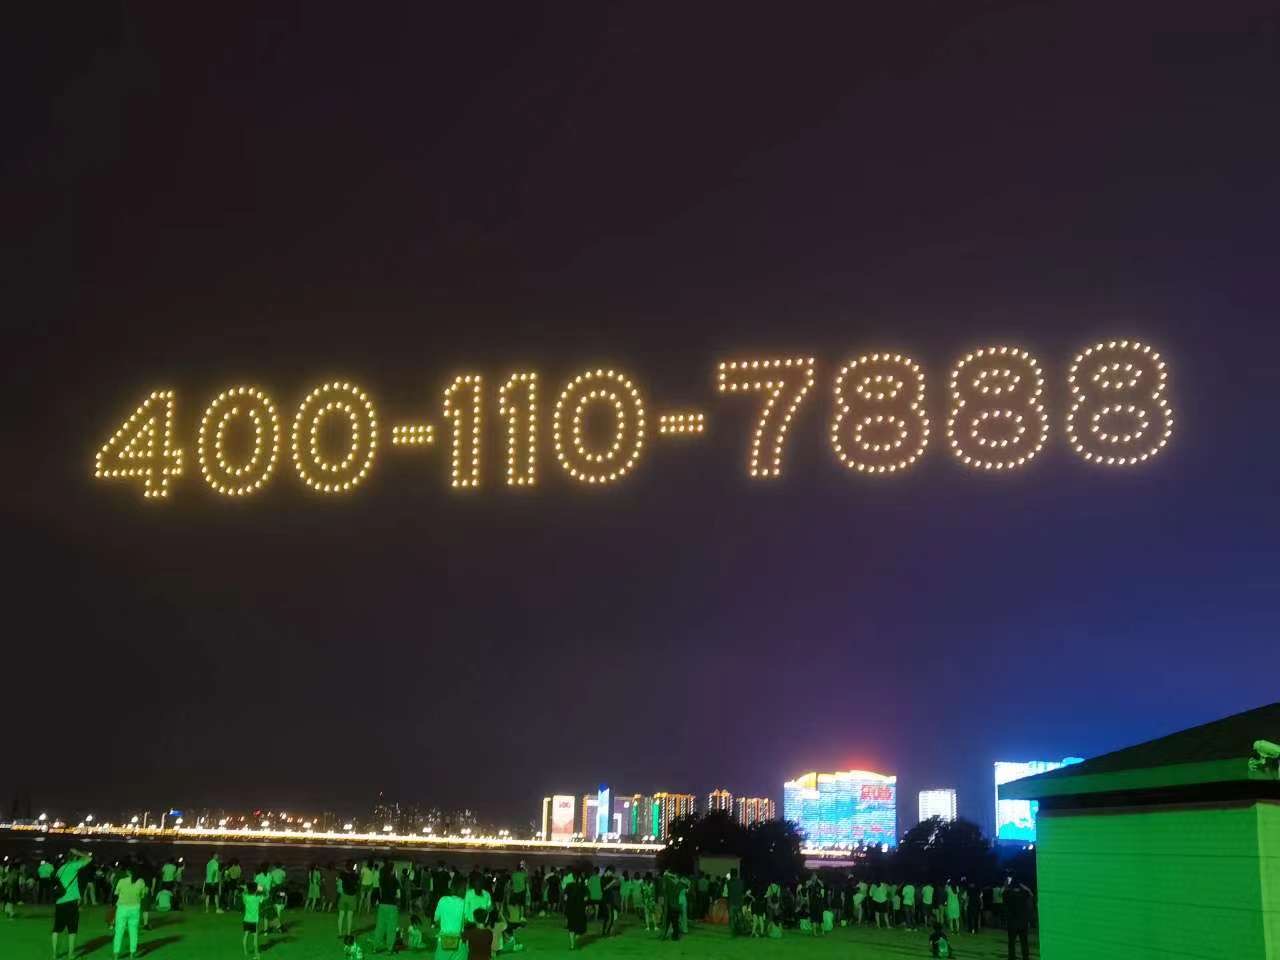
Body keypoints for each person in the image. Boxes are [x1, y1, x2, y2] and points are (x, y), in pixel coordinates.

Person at [52, 848, 94, 960]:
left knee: (56, 929)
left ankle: (54, 954)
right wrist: (79, 853)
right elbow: (89, 859)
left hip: (59, 901)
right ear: (75, 858)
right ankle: (71, 955)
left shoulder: (60, 869)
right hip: (71, 902)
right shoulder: (74, 865)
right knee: (72, 930)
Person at [112, 862, 147, 960]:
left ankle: (116, 954)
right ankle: (132, 954)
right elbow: (142, 895)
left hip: (122, 908)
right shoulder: (141, 882)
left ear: (128, 872)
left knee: (119, 932)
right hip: (135, 908)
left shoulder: (121, 881)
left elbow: (116, 893)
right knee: (133, 931)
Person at [433, 877, 467, 960]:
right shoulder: (465, 903)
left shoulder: (442, 900)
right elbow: (467, 922)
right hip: (459, 942)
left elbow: (436, 920)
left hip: (443, 941)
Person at [373, 861, 401, 954]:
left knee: (380, 926)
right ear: (392, 870)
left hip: (382, 905)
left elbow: (380, 892)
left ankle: (375, 947)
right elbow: (398, 895)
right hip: (392, 906)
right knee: (391, 928)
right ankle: (389, 948)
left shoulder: (382, 880)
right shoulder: (395, 880)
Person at [1004, 877, 1033, 960]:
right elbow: (1031, 894)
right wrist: (1023, 886)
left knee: (1011, 942)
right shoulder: (1024, 893)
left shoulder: (1008, 894)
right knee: (1024, 942)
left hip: (1012, 923)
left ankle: (1012, 957)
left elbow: (1004, 893)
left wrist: (1007, 885)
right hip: (1023, 923)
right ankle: (1025, 957)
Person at [563, 868, 587, 949]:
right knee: (580, 929)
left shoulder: (568, 885)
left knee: (571, 928)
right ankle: (576, 938)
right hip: (580, 910)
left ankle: (572, 945)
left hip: (570, 909)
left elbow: (565, 898)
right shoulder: (582, 886)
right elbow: (586, 898)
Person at [241, 883, 264, 960]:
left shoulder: (245, 897)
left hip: (246, 919)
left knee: (246, 935)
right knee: (255, 938)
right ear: (255, 890)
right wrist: (261, 889)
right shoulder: (257, 898)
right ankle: (256, 955)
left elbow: (244, 894)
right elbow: (265, 895)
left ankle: (245, 952)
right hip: (254, 921)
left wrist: (245, 889)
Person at [337, 862, 360, 939]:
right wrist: (356, 869)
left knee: (341, 916)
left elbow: (339, 884)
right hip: (352, 896)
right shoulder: (355, 875)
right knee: (349, 917)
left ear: (345, 867)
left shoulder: (342, 874)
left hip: (344, 895)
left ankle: (340, 933)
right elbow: (357, 881)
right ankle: (348, 933)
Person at [600, 866, 620, 936]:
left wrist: (614, 879)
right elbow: (604, 889)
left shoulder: (609, 877)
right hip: (606, 899)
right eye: (611, 872)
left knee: (608, 917)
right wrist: (612, 882)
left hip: (610, 898)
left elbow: (617, 879)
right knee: (610, 917)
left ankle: (605, 932)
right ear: (608, 871)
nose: (612, 874)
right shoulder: (602, 878)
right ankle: (606, 932)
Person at [727, 868, 744, 936]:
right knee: (740, 917)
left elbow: (729, 892)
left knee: (732, 918)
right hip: (739, 902)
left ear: (731, 874)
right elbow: (742, 891)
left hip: (731, 902)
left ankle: (733, 931)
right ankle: (741, 930)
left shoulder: (729, 882)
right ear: (737, 874)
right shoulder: (741, 882)